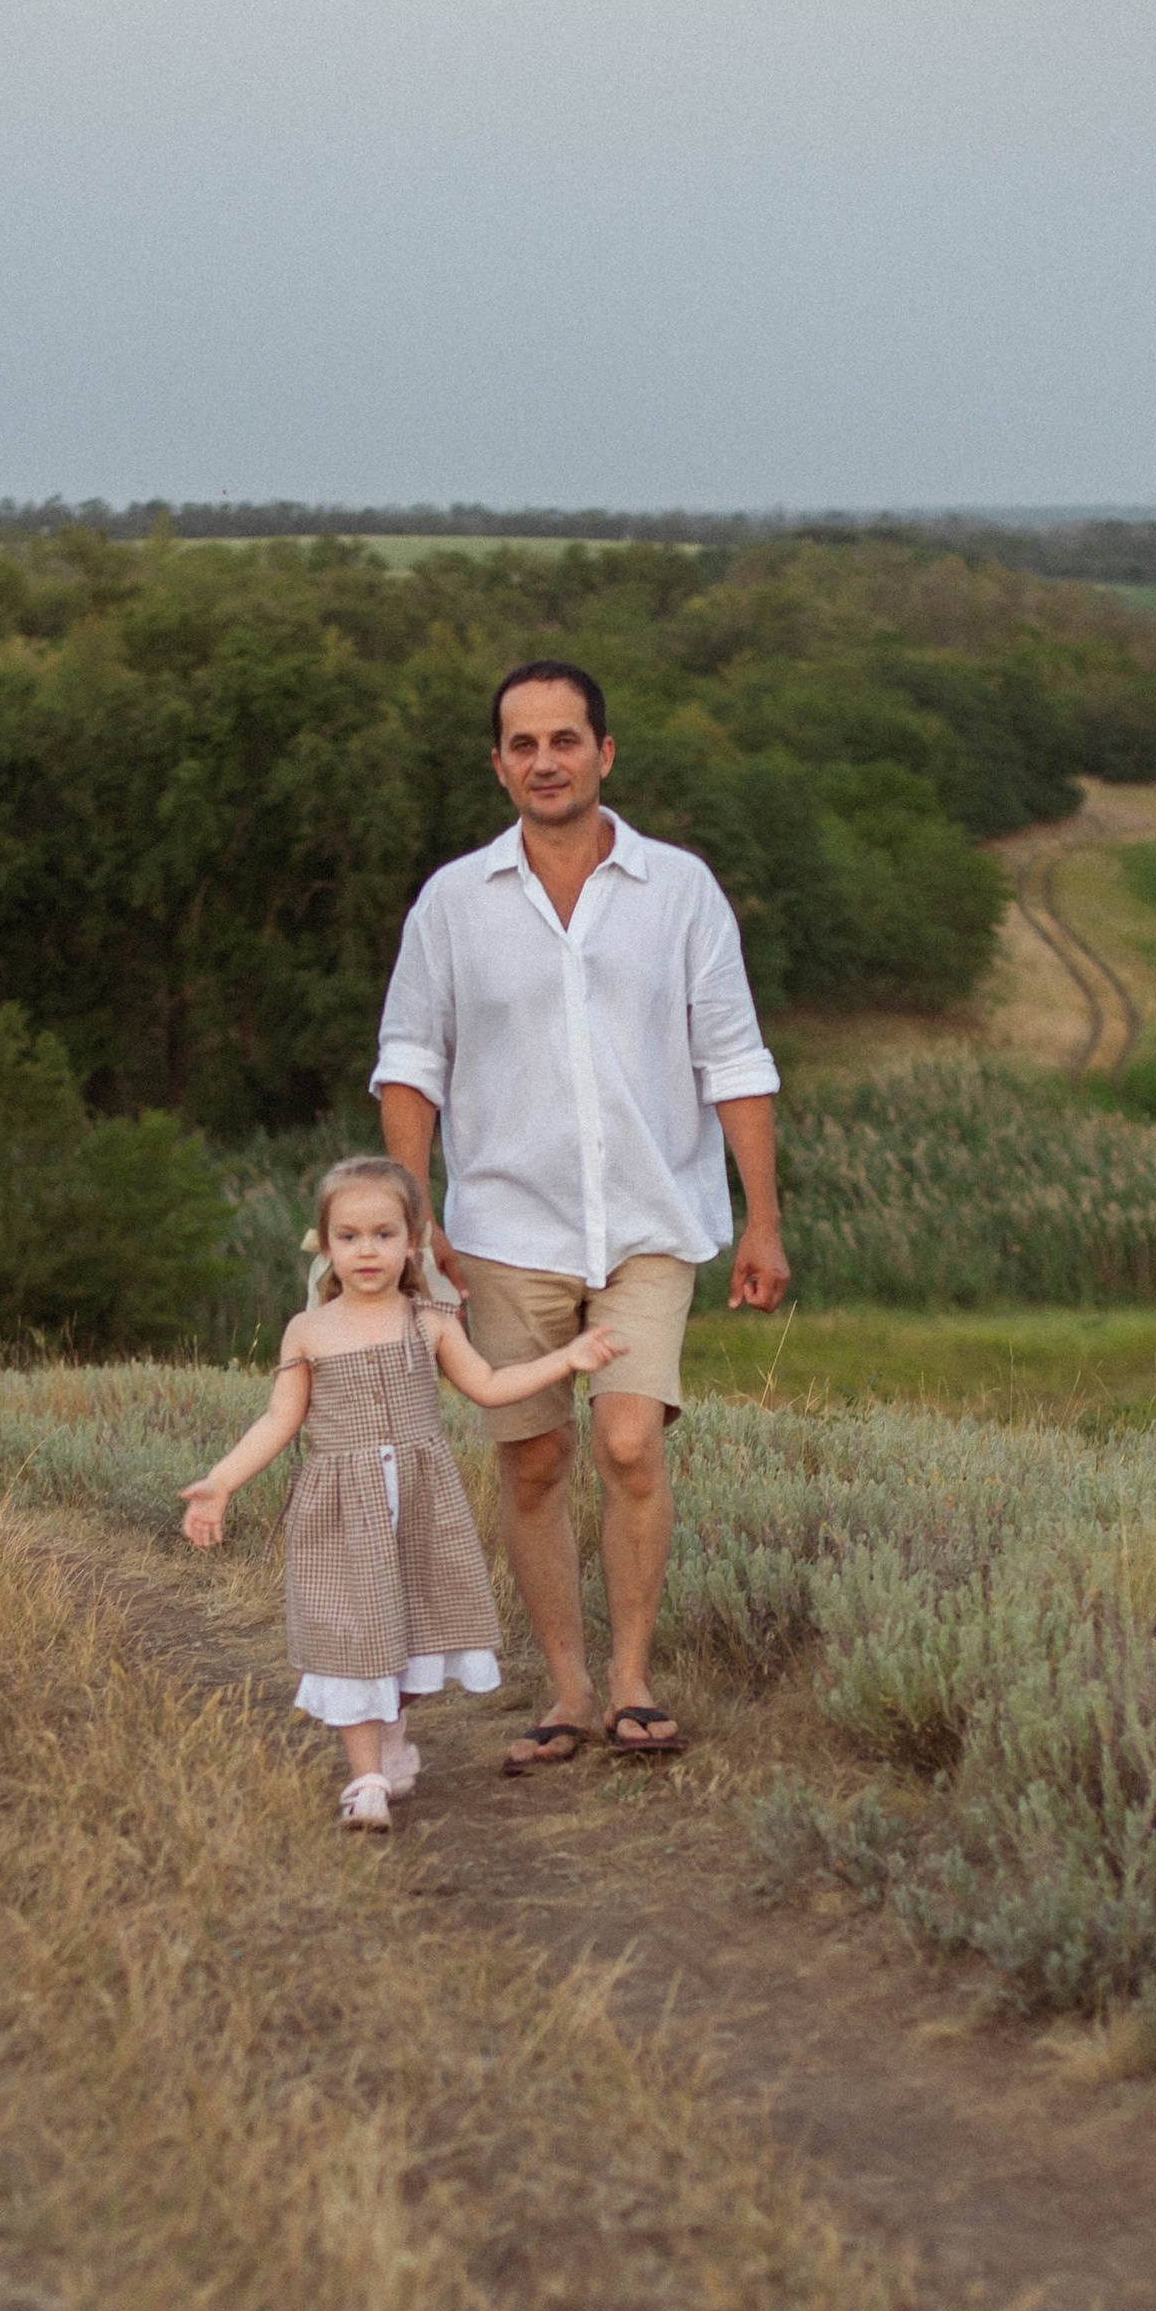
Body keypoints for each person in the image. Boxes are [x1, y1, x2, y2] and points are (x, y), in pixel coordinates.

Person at [373, 657, 790, 1770]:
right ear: (498, 765)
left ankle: (633, 1680)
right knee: (534, 1463)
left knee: (628, 1441)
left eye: (565, 740)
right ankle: (565, 1688)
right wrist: (415, 1220)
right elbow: (409, 1064)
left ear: (604, 752)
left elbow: (734, 1057)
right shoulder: (453, 902)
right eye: (524, 744)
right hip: (506, 1231)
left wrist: (760, 1221)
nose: (545, 761)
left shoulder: (680, 889)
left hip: (650, 1220)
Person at [179, 1155, 618, 1831]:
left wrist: (568, 1358)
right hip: (341, 1512)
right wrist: (220, 1482)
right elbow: (277, 1422)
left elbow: (489, 1386)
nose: (366, 1250)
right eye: (349, 1236)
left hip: (419, 1506)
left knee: (415, 1639)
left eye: (384, 1234)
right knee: (352, 1640)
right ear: (326, 1246)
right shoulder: (309, 1331)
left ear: (412, 1240)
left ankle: (390, 1733)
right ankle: (367, 1782)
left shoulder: (429, 1320)